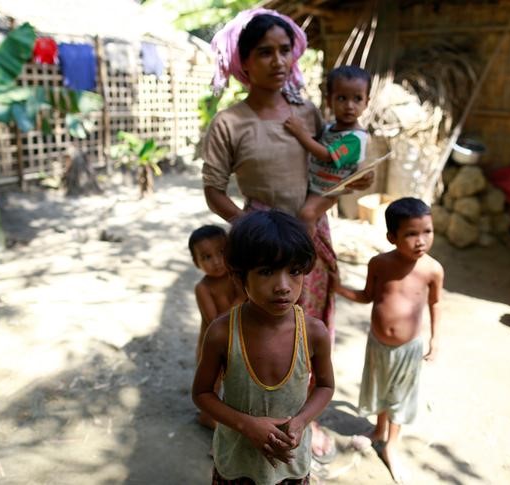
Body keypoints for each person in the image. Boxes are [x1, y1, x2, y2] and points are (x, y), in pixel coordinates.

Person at [202, 8, 373, 461]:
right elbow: (213, 191)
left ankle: (302, 420)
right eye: (264, 52)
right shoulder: (230, 123)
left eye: (284, 51)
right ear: (244, 60)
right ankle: (247, 419)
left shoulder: (310, 113)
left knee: (307, 330)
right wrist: (251, 228)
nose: (278, 61)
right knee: (258, 332)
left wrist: (339, 192)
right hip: (257, 246)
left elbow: (330, 171)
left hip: (308, 238)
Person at [192, 209, 334, 484]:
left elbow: (325, 386)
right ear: (239, 277)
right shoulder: (222, 333)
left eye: (294, 271)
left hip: (290, 464)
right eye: (266, 272)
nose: (283, 286)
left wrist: (302, 420)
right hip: (236, 462)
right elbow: (202, 393)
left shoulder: (314, 333)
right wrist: (247, 425)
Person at [333, 197, 444, 484]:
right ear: (391, 237)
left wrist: (436, 340)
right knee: (381, 389)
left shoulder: (432, 270)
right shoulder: (379, 264)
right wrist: (339, 288)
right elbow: (367, 296)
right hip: (378, 344)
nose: (421, 240)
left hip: (409, 349)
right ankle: (378, 431)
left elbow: (436, 304)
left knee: (399, 397)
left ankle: (391, 446)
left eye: (427, 231)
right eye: (411, 233)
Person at [284, 65, 370, 235]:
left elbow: (326, 156)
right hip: (316, 185)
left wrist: (300, 133)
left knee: (307, 214)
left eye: (357, 99)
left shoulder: (356, 138)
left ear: (367, 102)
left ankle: (304, 251)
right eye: (342, 98)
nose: (350, 106)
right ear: (329, 100)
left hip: (329, 191)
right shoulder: (329, 128)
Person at [189, 224, 246, 429]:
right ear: (196, 262)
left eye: (221, 252)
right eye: (206, 257)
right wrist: (240, 298)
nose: (216, 261)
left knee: (237, 383)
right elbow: (216, 323)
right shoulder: (202, 288)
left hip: (238, 343)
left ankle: (227, 417)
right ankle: (207, 417)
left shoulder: (236, 276)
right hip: (212, 347)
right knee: (211, 386)